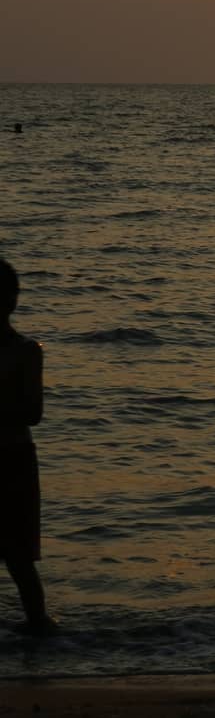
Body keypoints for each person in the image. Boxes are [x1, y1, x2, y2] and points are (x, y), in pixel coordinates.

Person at [1, 257, 55, 636]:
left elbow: (32, 413)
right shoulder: (25, 350)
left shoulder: (25, 350)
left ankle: (39, 625)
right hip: (15, 455)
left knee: (19, 555)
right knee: (19, 556)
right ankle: (38, 627)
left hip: (13, 458)